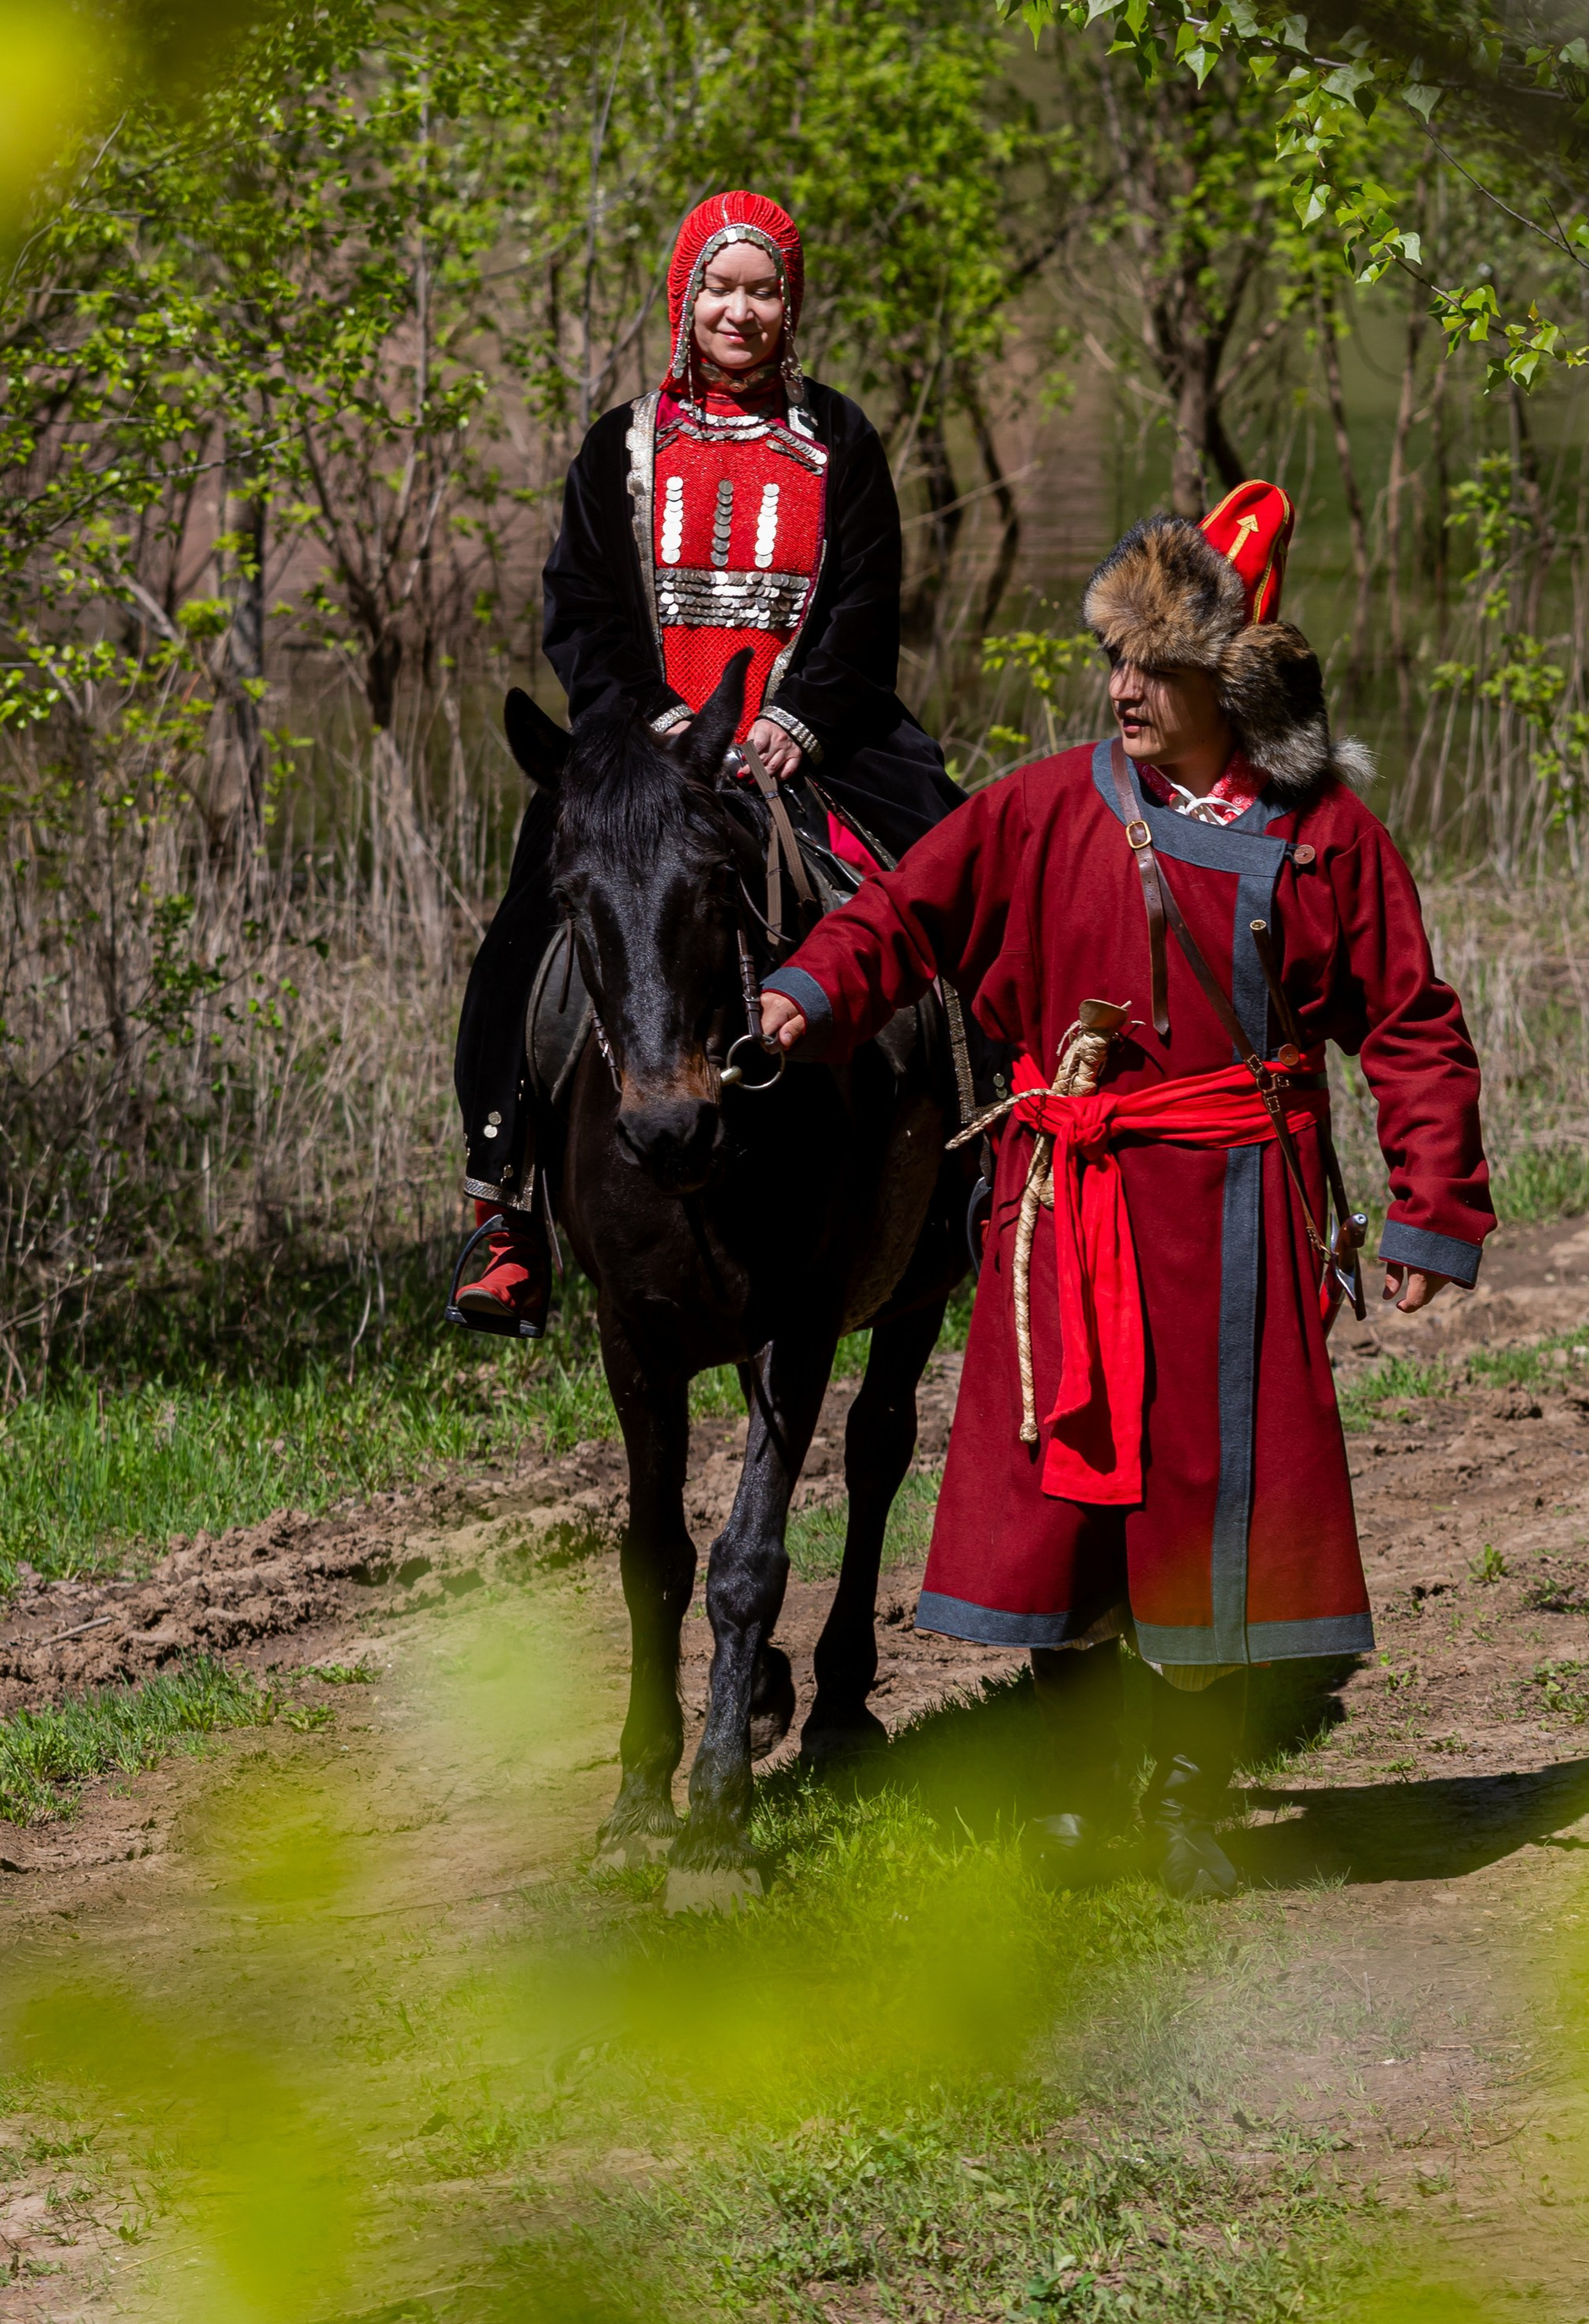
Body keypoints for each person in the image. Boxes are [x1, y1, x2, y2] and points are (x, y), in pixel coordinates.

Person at [757, 484, 1492, 1897]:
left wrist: (1432, 1205)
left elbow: (1408, 1020)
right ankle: (1087, 1787)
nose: (1123, 691)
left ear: (1232, 678)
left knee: (1215, 1503)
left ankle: (1184, 1792)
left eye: (1155, 668)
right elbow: (899, 915)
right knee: (1071, 1505)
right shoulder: (1039, 805)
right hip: (1067, 1207)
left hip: (1238, 1217)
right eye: (1115, 662)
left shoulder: (1320, 837)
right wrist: (807, 991)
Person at [451, 188, 961, 1330]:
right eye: (718, 289)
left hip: (808, 740)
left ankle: (987, 1173)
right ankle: (505, 1209)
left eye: (762, 290)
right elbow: (582, 611)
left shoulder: (843, 440)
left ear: (792, 304)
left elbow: (869, 608)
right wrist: (644, 720)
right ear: (684, 300)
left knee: (955, 873)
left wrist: (800, 720)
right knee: (523, 933)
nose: (740, 310)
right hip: (654, 750)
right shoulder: (620, 448)